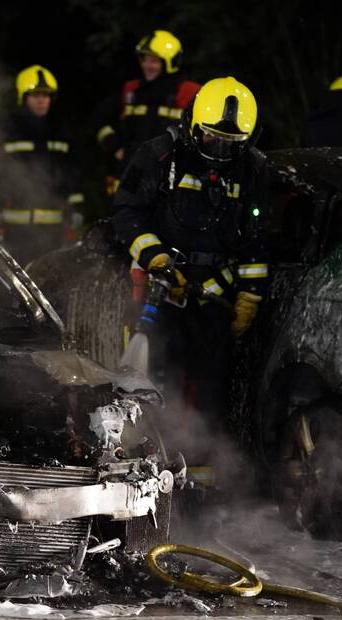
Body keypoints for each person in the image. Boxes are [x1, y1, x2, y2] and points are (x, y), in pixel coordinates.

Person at [112, 77, 269, 423]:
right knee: (152, 379)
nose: (219, 150)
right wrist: (156, 258)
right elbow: (126, 213)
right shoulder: (159, 155)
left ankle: (204, 453)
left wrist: (250, 295)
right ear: (193, 124)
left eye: (231, 143)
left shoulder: (253, 170)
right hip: (161, 290)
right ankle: (146, 447)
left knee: (211, 388)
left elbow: (256, 238)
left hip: (215, 296)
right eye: (211, 137)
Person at [0, 65, 84, 264]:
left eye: (46, 95)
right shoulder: (8, 131)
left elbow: (71, 173)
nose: (41, 100)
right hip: (15, 226)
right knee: (14, 278)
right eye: (35, 95)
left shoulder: (61, 131)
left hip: (53, 226)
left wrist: (77, 208)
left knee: (51, 277)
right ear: (23, 97)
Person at [94, 30, 201, 197]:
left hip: (170, 174)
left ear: (170, 62)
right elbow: (98, 119)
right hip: (133, 170)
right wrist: (114, 145)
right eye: (144, 59)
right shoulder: (131, 90)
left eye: (154, 61)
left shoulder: (188, 92)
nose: (147, 65)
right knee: (126, 208)